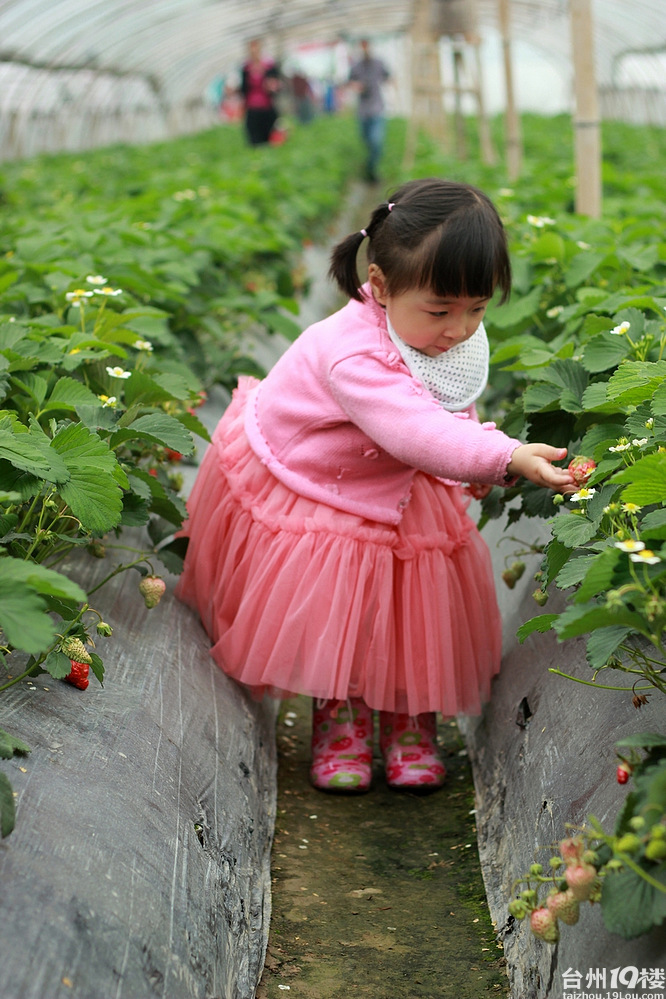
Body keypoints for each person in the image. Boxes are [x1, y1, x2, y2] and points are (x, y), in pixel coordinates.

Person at [175, 178, 575, 795]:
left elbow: (447, 400)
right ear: (381, 287)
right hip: (327, 484)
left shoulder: (435, 329)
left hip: (398, 481)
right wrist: (504, 456)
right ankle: (342, 723)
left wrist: (470, 462)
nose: (459, 328)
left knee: (415, 610)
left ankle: (412, 724)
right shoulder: (352, 356)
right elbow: (414, 429)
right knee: (347, 613)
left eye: (477, 309)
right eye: (441, 311)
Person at [348, 38, 391, 183]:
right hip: (363, 110)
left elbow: (388, 77)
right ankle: (369, 167)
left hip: (377, 108)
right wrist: (356, 86)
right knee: (366, 140)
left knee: (376, 141)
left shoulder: (379, 63)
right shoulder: (356, 66)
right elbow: (349, 82)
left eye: (366, 46)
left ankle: (372, 170)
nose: (365, 49)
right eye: (362, 47)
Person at [239, 38, 281, 146]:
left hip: (267, 108)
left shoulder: (269, 67)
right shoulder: (246, 69)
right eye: (252, 50)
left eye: (256, 49)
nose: (254, 52)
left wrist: (272, 86)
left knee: (270, 139)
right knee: (255, 139)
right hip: (252, 108)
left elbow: (277, 85)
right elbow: (243, 89)